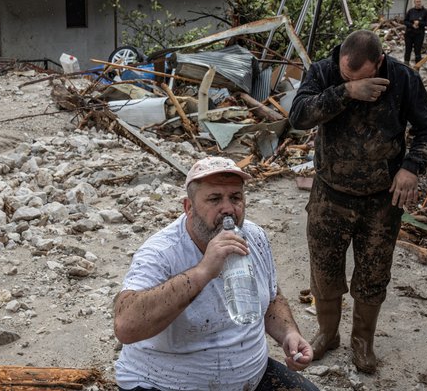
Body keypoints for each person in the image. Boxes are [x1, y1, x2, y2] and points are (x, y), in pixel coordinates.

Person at [288, 30, 427, 374]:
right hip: (330, 194)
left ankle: (362, 343)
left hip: (381, 201)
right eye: (346, 74)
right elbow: (297, 117)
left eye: (361, 77)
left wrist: (411, 168)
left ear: (380, 62)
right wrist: (345, 91)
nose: (352, 80)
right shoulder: (325, 72)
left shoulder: (402, 79)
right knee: (325, 271)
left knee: (373, 275)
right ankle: (328, 334)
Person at [113, 156, 319, 391]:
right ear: (188, 208)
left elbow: (272, 297)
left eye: (235, 197)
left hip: (251, 378)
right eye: (214, 199)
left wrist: (289, 334)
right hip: (165, 384)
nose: (228, 209)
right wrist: (202, 272)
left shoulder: (254, 236)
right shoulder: (162, 251)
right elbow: (125, 327)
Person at [404, 0, 427, 65]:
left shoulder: (426, 11)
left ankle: (417, 66)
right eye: (417, 2)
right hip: (409, 34)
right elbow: (405, 21)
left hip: (419, 34)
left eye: (420, 1)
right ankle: (406, 64)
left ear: (422, 2)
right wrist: (412, 25)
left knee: (417, 51)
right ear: (414, 2)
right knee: (408, 50)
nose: (418, 3)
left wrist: (419, 23)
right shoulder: (410, 11)